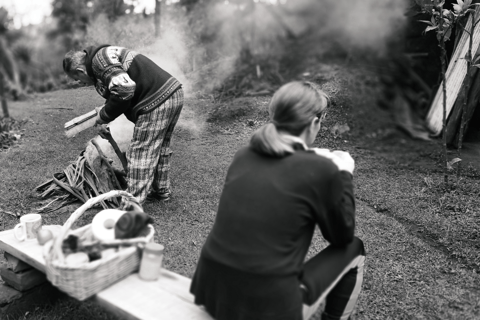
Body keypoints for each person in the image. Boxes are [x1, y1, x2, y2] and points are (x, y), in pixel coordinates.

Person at [190, 81, 365, 320]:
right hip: (265, 309)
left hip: (211, 292)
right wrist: (344, 174)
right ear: (315, 122)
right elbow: (340, 236)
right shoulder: (323, 170)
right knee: (355, 247)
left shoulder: (244, 155)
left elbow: (283, 169)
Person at [62, 45, 184, 206]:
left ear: (80, 71)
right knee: (160, 147)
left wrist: (104, 114)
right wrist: (104, 118)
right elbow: (117, 95)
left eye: (77, 79)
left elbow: (125, 90)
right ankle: (161, 191)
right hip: (172, 93)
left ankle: (131, 204)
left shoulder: (100, 60)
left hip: (156, 100)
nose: (80, 83)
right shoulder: (100, 62)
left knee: (141, 152)